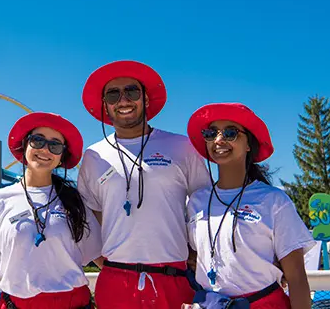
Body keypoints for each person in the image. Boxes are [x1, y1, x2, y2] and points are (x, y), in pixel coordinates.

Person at [77, 60, 211, 308]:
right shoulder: (93, 156)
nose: (123, 100)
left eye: (132, 91)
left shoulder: (181, 147)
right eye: (113, 94)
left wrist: (196, 255)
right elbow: (90, 216)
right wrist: (104, 262)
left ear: (146, 100)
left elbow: (205, 207)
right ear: (105, 106)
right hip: (115, 281)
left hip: (174, 280)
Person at [0, 112, 103, 309]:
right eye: (38, 141)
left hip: (74, 304)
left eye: (55, 145)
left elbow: (100, 257)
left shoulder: (75, 202)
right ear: (25, 145)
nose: (45, 149)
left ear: (61, 156)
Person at [185, 102, 315, 308]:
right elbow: (193, 258)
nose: (219, 140)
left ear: (248, 144)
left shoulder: (274, 201)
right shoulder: (196, 202)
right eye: (211, 133)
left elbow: (297, 277)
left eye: (230, 133)